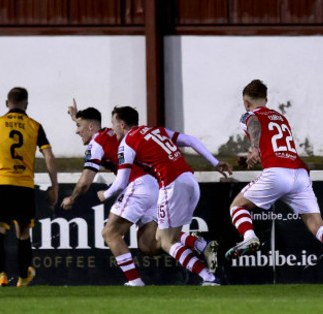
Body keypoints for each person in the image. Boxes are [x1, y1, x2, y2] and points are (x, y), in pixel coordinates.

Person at [61, 102, 218, 286]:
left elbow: (86, 181)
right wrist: (75, 117)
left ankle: (136, 282)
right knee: (149, 245)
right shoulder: (117, 133)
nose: (76, 131)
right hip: (156, 185)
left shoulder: (98, 143)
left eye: (78, 127)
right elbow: (188, 140)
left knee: (110, 232)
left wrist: (73, 197)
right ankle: (199, 246)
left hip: (140, 186)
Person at [224, 79, 323, 284]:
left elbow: (253, 124)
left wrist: (253, 148)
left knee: (237, 206)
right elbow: (276, 147)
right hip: (299, 174)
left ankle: (249, 236)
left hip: (277, 174)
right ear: (266, 99)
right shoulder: (280, 117)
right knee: (318, 226)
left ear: (246, 102)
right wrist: (257, 154)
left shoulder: (248, 115)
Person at [98, 106, 232, 285]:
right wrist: (215, 162)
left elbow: (121, 182)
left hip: (171, 185)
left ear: (122, 124)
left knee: (165, 241)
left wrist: (105, 194)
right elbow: (190, 140)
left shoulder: (127, 143)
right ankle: (202, 247)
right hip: (190, 182)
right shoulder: (156, 131)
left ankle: (209, 277)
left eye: (113, 123)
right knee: (166, 238)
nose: (112, 128)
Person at [0, 87, 59, 287]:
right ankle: (23, 276)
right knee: (23, 233)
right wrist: (54, 186)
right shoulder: (35, 126)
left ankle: (1, 275)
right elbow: (49, 156)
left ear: (7, 103)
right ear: (26, 104)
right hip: (24, 186)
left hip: (2, 184)